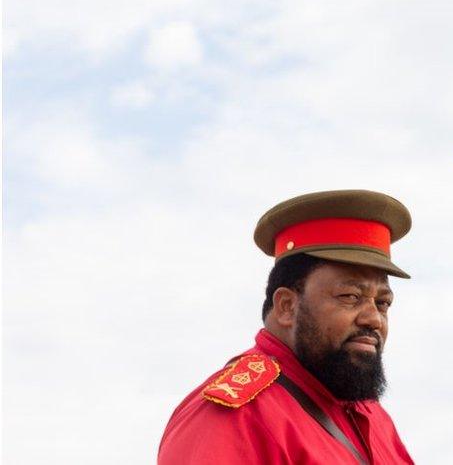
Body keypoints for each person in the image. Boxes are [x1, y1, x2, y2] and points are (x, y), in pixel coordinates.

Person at [158, 190, 415, 464]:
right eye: (350, 297)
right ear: (286, 306)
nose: (374, 319)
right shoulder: (234, 415)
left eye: (383, 303)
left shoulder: (373, 417)